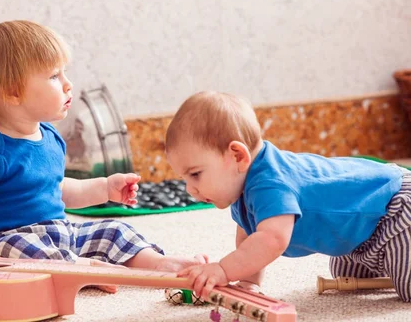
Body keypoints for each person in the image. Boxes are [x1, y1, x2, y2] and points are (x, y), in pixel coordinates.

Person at [0, 21, 206, 293]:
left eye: (64, 73)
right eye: (53, 76)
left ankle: (157, 262)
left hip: (60, 231)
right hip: (2, 240)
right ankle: (84, 269)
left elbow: (58, 189)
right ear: (12, 92)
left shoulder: (49, 136)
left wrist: (105, 188)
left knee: (113, 230)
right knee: (24, 254)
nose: (68, 84)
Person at [164, 91, 411, 301]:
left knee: (407, 285)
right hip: (360, 232)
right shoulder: (241, 184)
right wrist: (249, 281)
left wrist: (223, 270)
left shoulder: (271, 183)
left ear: (237, 156)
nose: (190, 189)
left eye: (195, 174)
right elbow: (250, 237)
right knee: (346, 275)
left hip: (395, 208)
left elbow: (270, 239)